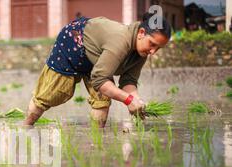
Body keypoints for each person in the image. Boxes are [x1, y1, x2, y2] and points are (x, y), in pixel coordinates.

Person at [24, 13, 171, 127]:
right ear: (141, 33)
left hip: (97, 56)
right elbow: (100, 79)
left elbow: (129, 80)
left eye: (158, 47)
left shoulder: (142, 51)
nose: (153, 51)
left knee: (102, 100)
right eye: (152, 44)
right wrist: (128, 100)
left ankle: (97, 140)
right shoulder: (120, 40)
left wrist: (137, 100)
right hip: (74, 41)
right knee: (49, 95)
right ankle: (25, 127)